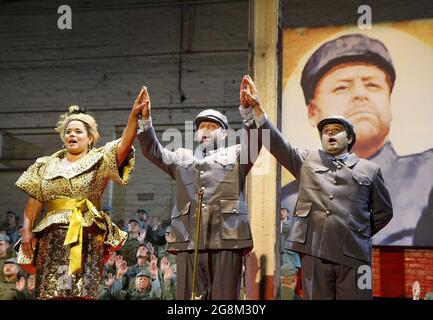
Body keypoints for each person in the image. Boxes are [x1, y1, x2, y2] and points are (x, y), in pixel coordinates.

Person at [244, 81, 393, 298]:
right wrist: (257, 111)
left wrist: (357, 231)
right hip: (314, 253)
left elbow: (384, 213)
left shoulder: (369, 170)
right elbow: (277, 143)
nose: (330, 134)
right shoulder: (307, 160)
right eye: (326, 131)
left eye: (337, 131)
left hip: (355, 257)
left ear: (349, 138)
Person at [283, 33, 433, 246]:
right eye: (342, 87)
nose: (361, 94)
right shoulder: (289, 198)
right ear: (313, 112)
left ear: (389, 103)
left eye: (373, 85)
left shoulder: (428, 174)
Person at [14, 86, 148, 299]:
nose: (72, 135)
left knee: (79, 291)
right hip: (52, 238)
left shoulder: (99, 160)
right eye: (68, 131)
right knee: (53, 291)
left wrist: (134, 116)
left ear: (90, 137)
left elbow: (124, 145)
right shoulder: (45, 165)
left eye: (78, 131)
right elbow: (34, 201)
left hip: (86, 236)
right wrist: (27, 231)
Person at [136, 77, 262, 299]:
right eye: (202, 126)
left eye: (213, 126)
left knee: (223, 299)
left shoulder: (236, 153)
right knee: (188, 297)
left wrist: (248, 111)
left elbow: (255, 141)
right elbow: (152, 151)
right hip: (188, 237)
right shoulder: (182, 157)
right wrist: (145, 122)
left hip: (227, 236)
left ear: (224, 134)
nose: (206, 130)